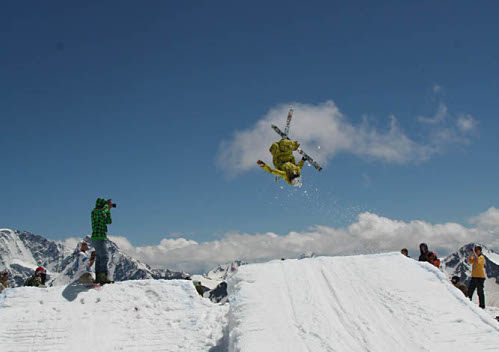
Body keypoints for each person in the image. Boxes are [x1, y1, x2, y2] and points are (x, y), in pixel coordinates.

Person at [91, 198, 114, 285]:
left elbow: (109, 221)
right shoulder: (95, 212)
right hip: (98, 237)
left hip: (100, 238)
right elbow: (101, 212)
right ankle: (103, 277)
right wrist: (107, 206)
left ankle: (98, 277)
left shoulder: (100, 213)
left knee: (99, 257)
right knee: (105, 256)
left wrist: (108, 211)